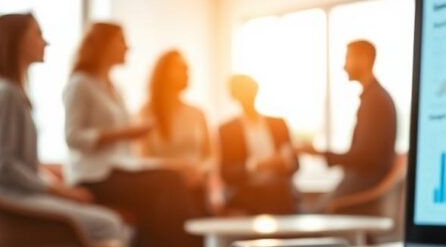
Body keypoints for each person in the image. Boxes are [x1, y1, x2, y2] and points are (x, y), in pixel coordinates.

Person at [0, 13, 128, 247]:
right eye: (37, 34)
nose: (45, 42)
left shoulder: (0, 91)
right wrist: (60, 191)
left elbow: (13, 162)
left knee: (83, 234)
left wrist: (51, 177)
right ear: (16, 40)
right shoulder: (6, 93)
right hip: (10, 204)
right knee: (109, 225)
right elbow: (5, 167)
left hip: (9, 199)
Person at [62, 23, 202, 247]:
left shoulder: (115, 89)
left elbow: (128, 157)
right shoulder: (80, 84)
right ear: (105, 45)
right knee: (169, 184)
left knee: (165, 196)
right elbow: (73, 137)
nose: (127, 47)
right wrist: (124, 133)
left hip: (121, 169)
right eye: (121, 41)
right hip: (94, 175)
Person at [299, 39, 397, 200]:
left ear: (364, 60)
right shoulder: (373, 97)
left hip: (365, 182)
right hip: (361, 179)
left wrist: (318, 153)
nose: (344, 66)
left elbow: (364, 157)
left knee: (315, 209)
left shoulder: (375, 101)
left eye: (348, 58)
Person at [138, 49, 213, 212]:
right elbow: (142, 160)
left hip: (198, 188)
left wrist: (200, 172)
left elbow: (210, 156)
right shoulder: (146, 114)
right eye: (181, 68)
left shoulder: (197, 113)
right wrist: (179, 168)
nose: (187, 73)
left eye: (188, 69)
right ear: (164, 73)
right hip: (164, 191)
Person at [218, 75, 298, 214]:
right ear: (234, 95)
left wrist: (285, 162)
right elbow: (226, 173)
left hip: (278, 194)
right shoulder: (227, 130)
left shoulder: (278, 125)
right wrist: (256, 165)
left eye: (249, 90)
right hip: (246, 195)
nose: (247, 96)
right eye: (241, 91)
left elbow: (295, 165)